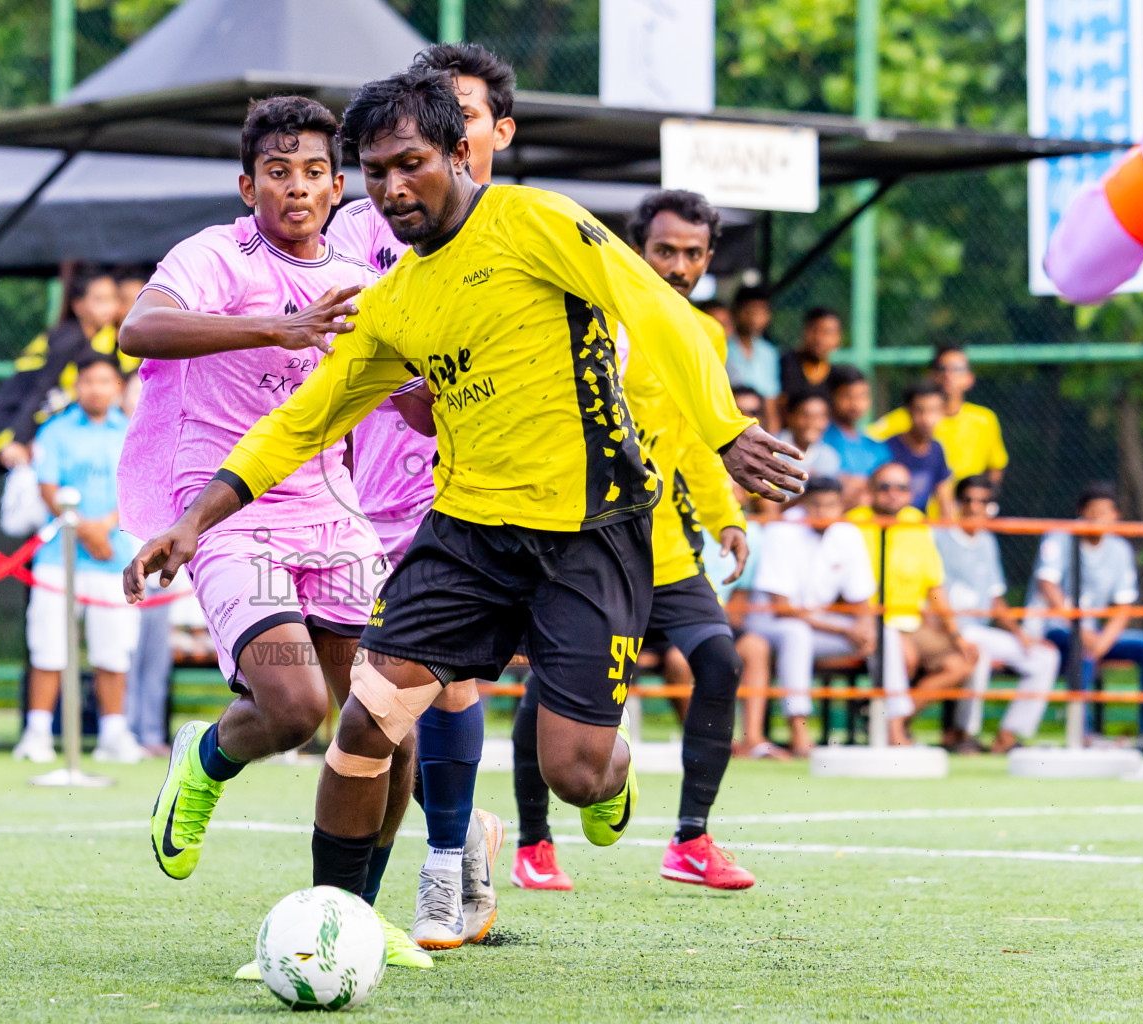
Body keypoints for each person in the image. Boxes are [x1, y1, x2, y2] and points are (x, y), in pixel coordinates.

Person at [123, 68, 802, 929]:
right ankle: (332, 925)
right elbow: (305, 418)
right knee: (368, 721)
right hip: (469, 535)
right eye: (375, 171)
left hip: (590, 529)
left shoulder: (536, 221)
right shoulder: (397, 296)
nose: (394, 186)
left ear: (458, 150)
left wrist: (723, 430)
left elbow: (654, 309)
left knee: (575, 770)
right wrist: (192, 522)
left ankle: (610, 770)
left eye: (410, 162)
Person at [113, 96, 428, 969]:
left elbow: (412, 406)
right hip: (226, 511)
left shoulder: (367, 280)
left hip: (335, 514)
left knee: (385, 722)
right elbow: (142, 329)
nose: (298, 188)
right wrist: (279, 325)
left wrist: (436, 381)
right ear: (248, 184)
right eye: (279, 173)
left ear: (339, 188)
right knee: (295, 709)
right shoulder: (215, 255)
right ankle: (208, 757)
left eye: (316, 172)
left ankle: (354, 920)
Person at [509, 187, 761, 894]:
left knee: (718, 661)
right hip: (584, 543)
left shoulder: (704, 336)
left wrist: (728, 520)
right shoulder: (596, 314)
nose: (678, 266)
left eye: (692, 254)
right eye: (664, 251)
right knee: (546, 693)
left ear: (709, 259)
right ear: (634, 248)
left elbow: (698, 443)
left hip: (664, 550)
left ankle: (691, 839)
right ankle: (534, 842)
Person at [326, 41, 515, 950]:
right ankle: (459, 836)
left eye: (467, 116)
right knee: (380, 700)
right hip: (367, 486)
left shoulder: (528, 233)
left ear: (489, 134)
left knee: (444, 683)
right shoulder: (370, 228)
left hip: (471, 488)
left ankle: (443, 863)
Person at [11, 354, 143, 765]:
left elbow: (137, 487)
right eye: (88, 381)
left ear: (117, 388)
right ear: (77, 386)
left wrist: (105, 528)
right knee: (48, 648)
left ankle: (113, 735)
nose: (97, 389)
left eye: (105, 381)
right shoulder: (54, 430)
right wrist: (87, 529)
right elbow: (48, 487)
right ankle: (36, 734)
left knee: (112, 651)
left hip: (115, 559)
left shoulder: (134, 430)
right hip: (58, 558)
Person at [741, 478, 877, 756]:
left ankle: (893, 728)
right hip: (769, 622)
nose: (823, 512)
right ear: (803, 505)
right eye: (816, 505)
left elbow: (862, 601)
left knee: (885, 635)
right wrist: (845, 631)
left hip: (819, 624)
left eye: (830, 506)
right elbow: (782, 608)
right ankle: (799, 731)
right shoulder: (782, 530)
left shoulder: (848, 533)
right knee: (796, 634)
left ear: (841, 507)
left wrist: (865, 627)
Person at [847, 462, 977, 745]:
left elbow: (934, 588)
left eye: (901, 487)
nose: (893, 493)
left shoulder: (917, 523)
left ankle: (885, 720)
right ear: (870, 491)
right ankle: (894, 734)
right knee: (902, 654)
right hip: (871, 621)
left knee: (963, 662)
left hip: (913, 622)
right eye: (885, 487)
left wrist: (956, 635)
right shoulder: (852, 524)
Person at [1027, 483, 1143, 741]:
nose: (1098, 518)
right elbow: (1048, 586)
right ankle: (1083, 733)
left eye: (1105, 512)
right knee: (1083, 650)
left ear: (1116, 516)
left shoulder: (1119, 549)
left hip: (1095, 634)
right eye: (1092, 511)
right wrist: (1082, 630)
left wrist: (1103, 640)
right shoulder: (1060, 537)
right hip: (1057, 628)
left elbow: (1124, 606)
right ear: (1081, 512)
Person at [934, 476, 1060, 753]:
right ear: (957, 503)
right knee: (977, 653)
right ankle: (964, 734)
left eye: (983, 501)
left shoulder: (987, 542)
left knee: (1045, 656)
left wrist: (1020, 634)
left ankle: (1009, 734)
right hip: (947, 627)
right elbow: (931, 591)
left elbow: (994, 599)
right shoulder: (939, 537)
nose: (975, 507)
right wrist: (952, 632)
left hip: (977, 629)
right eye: (968, 500)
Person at [0, 264, 127, 468]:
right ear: (78, 305)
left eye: (113, 299)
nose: (109, 308)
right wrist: (18, 441)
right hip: (7, 420)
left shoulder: (101, 341)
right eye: (99, 300)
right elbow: (39, 391)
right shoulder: (69, 339)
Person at [119, 372, 173, 759]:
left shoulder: (175, 438)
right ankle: (120, 732)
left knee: (155, 658)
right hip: (115, 564)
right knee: (121, 655)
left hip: (166, 570)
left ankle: (151, 732)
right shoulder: (113, 438)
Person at [871, 342, 1008, 490]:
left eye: (957, 369)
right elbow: (868, 445)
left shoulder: (985, 419)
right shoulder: (905, 417)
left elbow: (996, 467)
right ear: (931, 375)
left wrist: (983, 503)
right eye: (942, 368)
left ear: (969, 378)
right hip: (916, 511)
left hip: (967, 510)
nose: (948, 375)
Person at [883, 381, 956, 520]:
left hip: (920, 527)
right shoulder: (888, 449)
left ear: (943, 412)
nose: (927, 419)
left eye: (934, 410)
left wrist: (950, 530)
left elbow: (944, 496)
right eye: (920, 410)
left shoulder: (937, 449)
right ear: (908, 411)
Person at [822, 365, 889, 507]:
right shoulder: (819, 441)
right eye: (848, 396)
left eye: (862, 396)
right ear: (831, 397)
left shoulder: (877, 447)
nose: (856, 404)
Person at [725, 284, 780, 431]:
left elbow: (771, 402)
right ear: (736, 312)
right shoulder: (723, 348)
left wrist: (772, 435)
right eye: (749, 311)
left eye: (761, 312)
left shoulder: (769, 353)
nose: (755, 318)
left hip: (759, 425)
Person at [777, 307, 841, 417]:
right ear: (804, 331)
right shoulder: (786, 365)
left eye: (828, 332)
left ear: (838, 338)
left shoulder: (836, 376)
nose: (820, 339)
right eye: (815, 330)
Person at [777, 392, 841, 481]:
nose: (812, 423)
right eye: (805, 415)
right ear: (790, 416)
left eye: (819, 417)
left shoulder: (829, 456)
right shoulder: (772, 448)